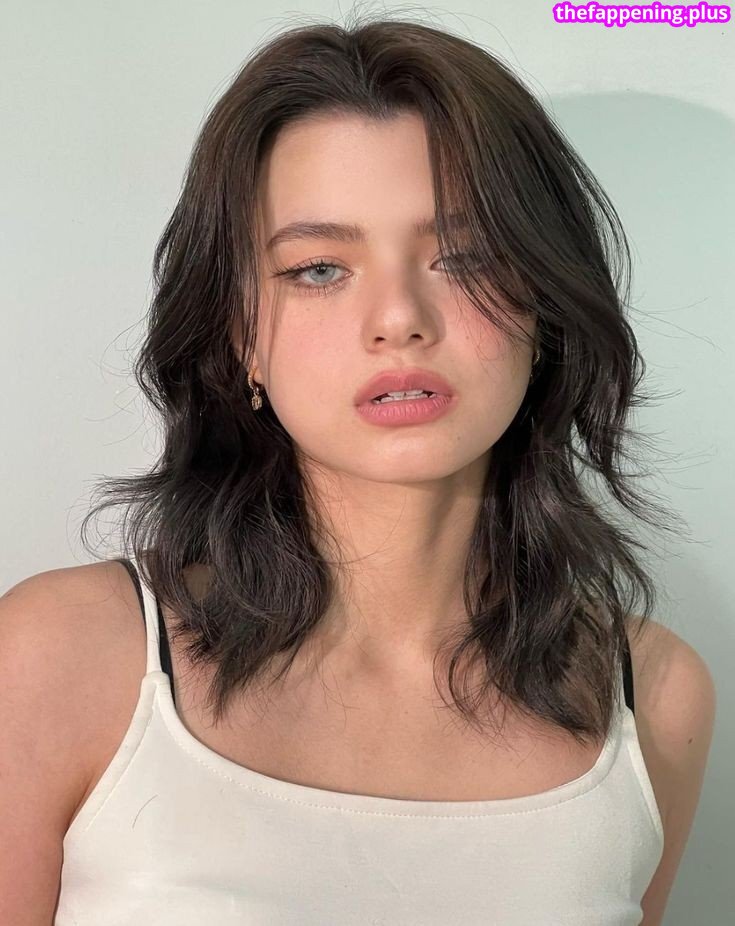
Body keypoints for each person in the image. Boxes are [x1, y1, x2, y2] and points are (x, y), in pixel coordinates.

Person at [0, 14, 716, 926]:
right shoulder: (60, 658)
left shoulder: (650, 695)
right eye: (318, 269)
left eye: (463, 257)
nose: (398, 318)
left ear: (543, 305)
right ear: (238, 336)